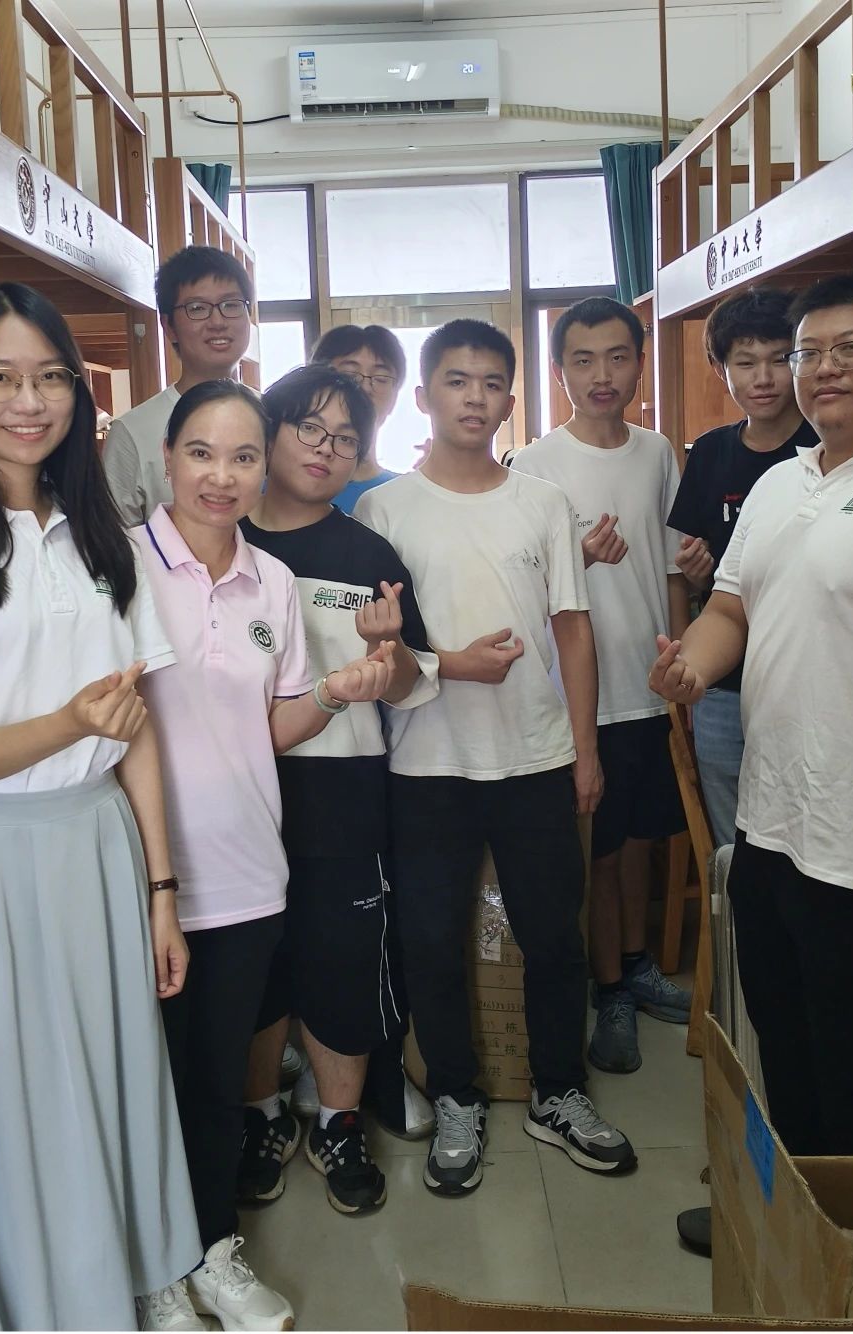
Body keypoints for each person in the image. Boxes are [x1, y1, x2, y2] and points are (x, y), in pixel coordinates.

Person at [0, 283, 204, 1330]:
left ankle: (131, 1285)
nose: (30, 402)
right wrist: (73, 721)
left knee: (113, 1074)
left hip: (99, 842)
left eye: (50, 378)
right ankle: (48, 1306)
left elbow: (136, 726)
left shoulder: (104, 536)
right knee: (18, 1101)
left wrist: (161, 889)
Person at [134, 378, 395, 1325]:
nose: (222, 475)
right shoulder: (114, 565)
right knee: (140, 1082)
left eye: (242, 457)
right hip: (136, 876)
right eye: (202, 453)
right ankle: (154, 1269)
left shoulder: (272, 581)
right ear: (168, 457)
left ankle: (211, 1251)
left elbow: (270, 725)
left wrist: (334, 692)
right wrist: (156, 881)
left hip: (246, 873)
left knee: (214, 1082)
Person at [356, 319, 637, 1197]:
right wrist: (449, 664)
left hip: (536, 756)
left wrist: (585, 750)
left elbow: (573, 630)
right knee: (430, 941)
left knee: (552, 935)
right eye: (456, 380)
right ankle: (456, 1096)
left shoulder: (542, 503)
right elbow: (382, 650)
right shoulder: (384, 510)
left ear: (511, 400)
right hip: (425, 764)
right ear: (424, 396)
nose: (474, 398)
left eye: (489, 383)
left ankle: (557, 1091)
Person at [649, 270, 853, 1159]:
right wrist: (691, 667)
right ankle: (795, 1222)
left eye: (852, 348)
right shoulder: (779, 483)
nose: (822, 367)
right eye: (811, 352)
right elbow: (732, 608)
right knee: (788, 1051)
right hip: (770, 830)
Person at [237, 365, 439, 1215]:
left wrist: (389, 658)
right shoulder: (223, 541)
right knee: (253, 962)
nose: (326, 450)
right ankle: (259, 1115)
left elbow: (415, 683)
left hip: (343, 790)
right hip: (235, 791)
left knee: (342, 956)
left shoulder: (368, 555)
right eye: (309, 429)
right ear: (271, 432)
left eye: (346, 438)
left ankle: (339, 1122)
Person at [512, 296, 690, 1076]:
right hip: (584, 695)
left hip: (652, 687)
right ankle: (611, 987)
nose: (602, 374)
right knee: (604, 850)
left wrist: (682, 670)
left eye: (618, 356)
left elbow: (675, 569)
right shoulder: (535, 464)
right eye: (582, 360)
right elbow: (521, 589)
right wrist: (577, 557)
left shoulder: (657, 453)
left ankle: (637, 964)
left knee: (644, 838)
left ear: (640, 363)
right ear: (559, 372)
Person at [667, 287, 819, 849]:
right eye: (745, 362)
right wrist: (697, 576)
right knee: (732, 831)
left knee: (804, 823)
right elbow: (698, 578)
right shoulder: (709, 452)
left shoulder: (825, 444)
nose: (764, 378)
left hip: (804, 674)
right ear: (720, 369)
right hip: (724, 679)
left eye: (779, 359)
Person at [104, 246, 254, 525]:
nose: (218, 321)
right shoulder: (133, 432)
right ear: (169, 326)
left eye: (231, 305)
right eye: (197, 308)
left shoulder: (274, 414)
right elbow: (116, 542)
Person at [309, 324, 405, 512]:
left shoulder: (406, 494)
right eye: (350, 375)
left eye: (381, 378)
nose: (365, 388)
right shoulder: (278, 490)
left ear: (395, 396)